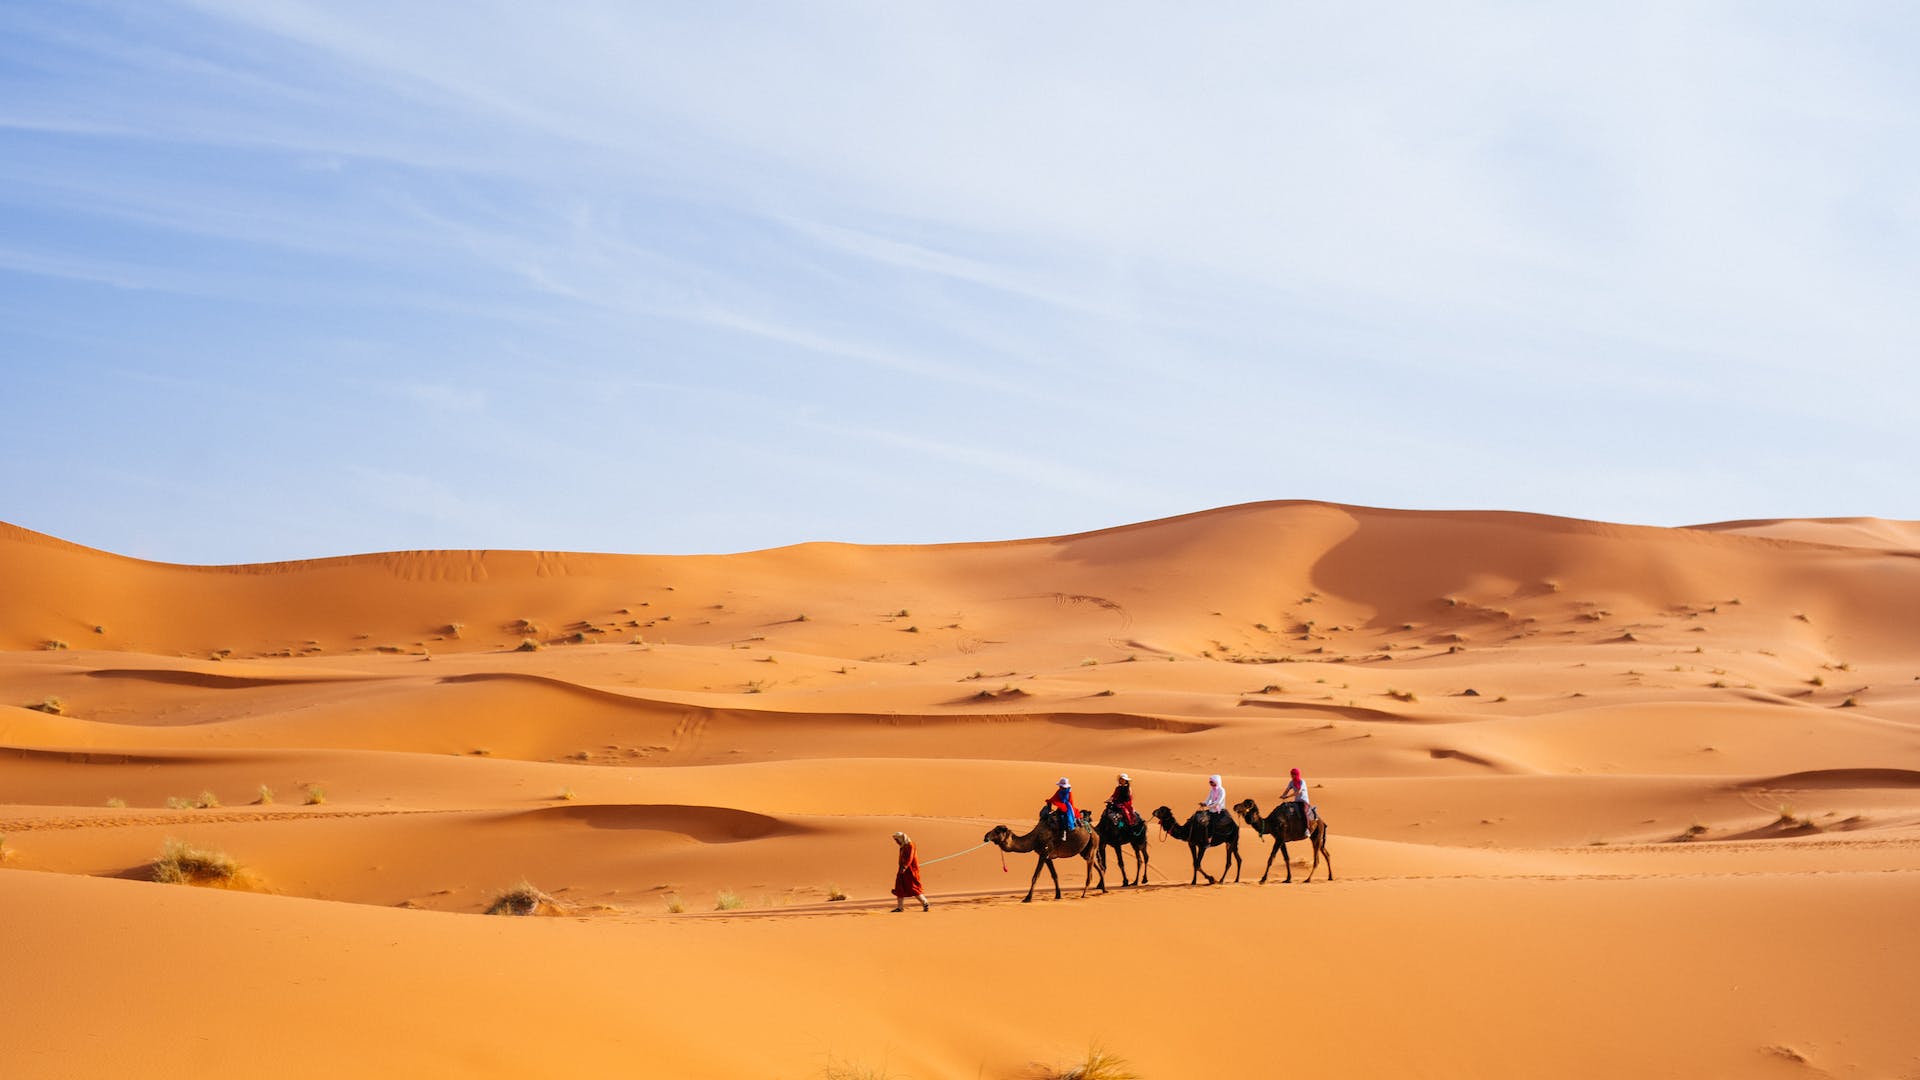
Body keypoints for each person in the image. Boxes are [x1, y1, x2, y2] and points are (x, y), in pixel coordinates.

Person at [891, 831, 929, 912]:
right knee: (899, 887)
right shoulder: (903, 846)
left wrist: (904, 867)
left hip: (910, 870)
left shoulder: (910, 845)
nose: (896, 842)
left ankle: (925, 903)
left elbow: (909, 858)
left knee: (913, 887)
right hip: (903, 869)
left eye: (897, 839)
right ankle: (900, 907)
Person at [1281, 767, 1317, 832]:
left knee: (1303, 811)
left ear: (1297, 774)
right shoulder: (1291, 782)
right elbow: (1287, 790)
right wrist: (1283, 795)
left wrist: (1287, 796)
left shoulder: (1302, 782)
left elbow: (1298, 792)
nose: (1292, 776)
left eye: (1293, 774)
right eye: (1291, 774)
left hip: (1303, 801)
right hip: (1296, 801)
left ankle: (1307, 829)